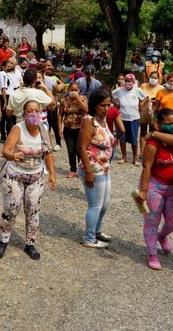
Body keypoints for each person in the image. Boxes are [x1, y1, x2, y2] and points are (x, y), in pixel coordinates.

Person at [0, 100, 57, 260]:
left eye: (36, 110)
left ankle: (30, 243)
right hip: (15, 177)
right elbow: (5, 150)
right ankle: (3, 240)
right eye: (30, 111)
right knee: (10, 210)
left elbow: (48, 153)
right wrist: (12, 155)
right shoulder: (17, 129)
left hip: (36, 177)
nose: (34, 114)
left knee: (33, 211)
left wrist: (53, 175)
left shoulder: (44, 129)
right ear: (24, 113)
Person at [136, 108, 173, 269]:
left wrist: (155, 133)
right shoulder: (152, 144)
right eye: (169, 123)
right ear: (159, 123)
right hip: (154, 186)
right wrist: (143, 191)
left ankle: (162, 236)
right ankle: (152, 253)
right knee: (152, 221)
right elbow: (146, 167)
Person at [78, 88, 115, 248]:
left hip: (104, 167)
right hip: (93, 168)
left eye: (108, 105)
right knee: (95, 205)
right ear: (94, 105)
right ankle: (90, 238)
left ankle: (97, 230)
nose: (106, 108)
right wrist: (89, 172)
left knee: (105, 204)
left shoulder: (103, 120)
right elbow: (82, 147)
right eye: (102, 105)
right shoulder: (89, 121)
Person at [112, 73, 148, 165]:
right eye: (126, 81)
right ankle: (124, 157)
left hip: (134, 118)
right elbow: (111, 95)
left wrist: (141, 104)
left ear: (133, 82)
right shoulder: (120, 90)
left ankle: (135, 158)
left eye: (130, 81)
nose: (128, 83)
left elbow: (146, 97)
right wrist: (116, 104)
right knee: (122, 138)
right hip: (122, 118)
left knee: (133, 139)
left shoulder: (137, 90)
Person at [59, 82, 88, 178]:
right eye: (72, 90)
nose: (74, 92)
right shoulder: (64, 100)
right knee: (71, 150)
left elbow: (86, 110)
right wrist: (60, 128)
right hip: (68, 129)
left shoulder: (83, 98)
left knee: (79, 150)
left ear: (79, 90)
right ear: (68, 90)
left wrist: (78, 99)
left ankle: (81, 169)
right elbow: (60, 115)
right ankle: (73, 170)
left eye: (76, 90)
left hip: (80, 129)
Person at [138, 71, 163, 158]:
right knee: (143, 132)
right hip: (144, 111)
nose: (153, 79)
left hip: (154, 112)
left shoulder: (161, 88)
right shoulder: (143, 86)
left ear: (158, 79)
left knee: (153, 132)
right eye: (152, 77)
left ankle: (150, 152)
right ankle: (141, 152)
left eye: (156, 78)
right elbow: (139, 97)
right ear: (149, 77)